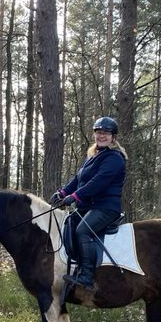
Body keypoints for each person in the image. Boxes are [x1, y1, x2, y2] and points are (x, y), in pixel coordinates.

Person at [49, 116, 128, 291]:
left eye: (106, 133)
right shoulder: (94, 156)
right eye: (99, 133)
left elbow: (99, 182)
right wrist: (62, 192)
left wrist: (75, 197)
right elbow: (78, 179)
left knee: (83, 231)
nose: (102, 136)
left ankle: (86, 276)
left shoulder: (115, 158)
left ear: (113, 137)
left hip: (106, 207)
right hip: (89, 206)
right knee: (68, 225)